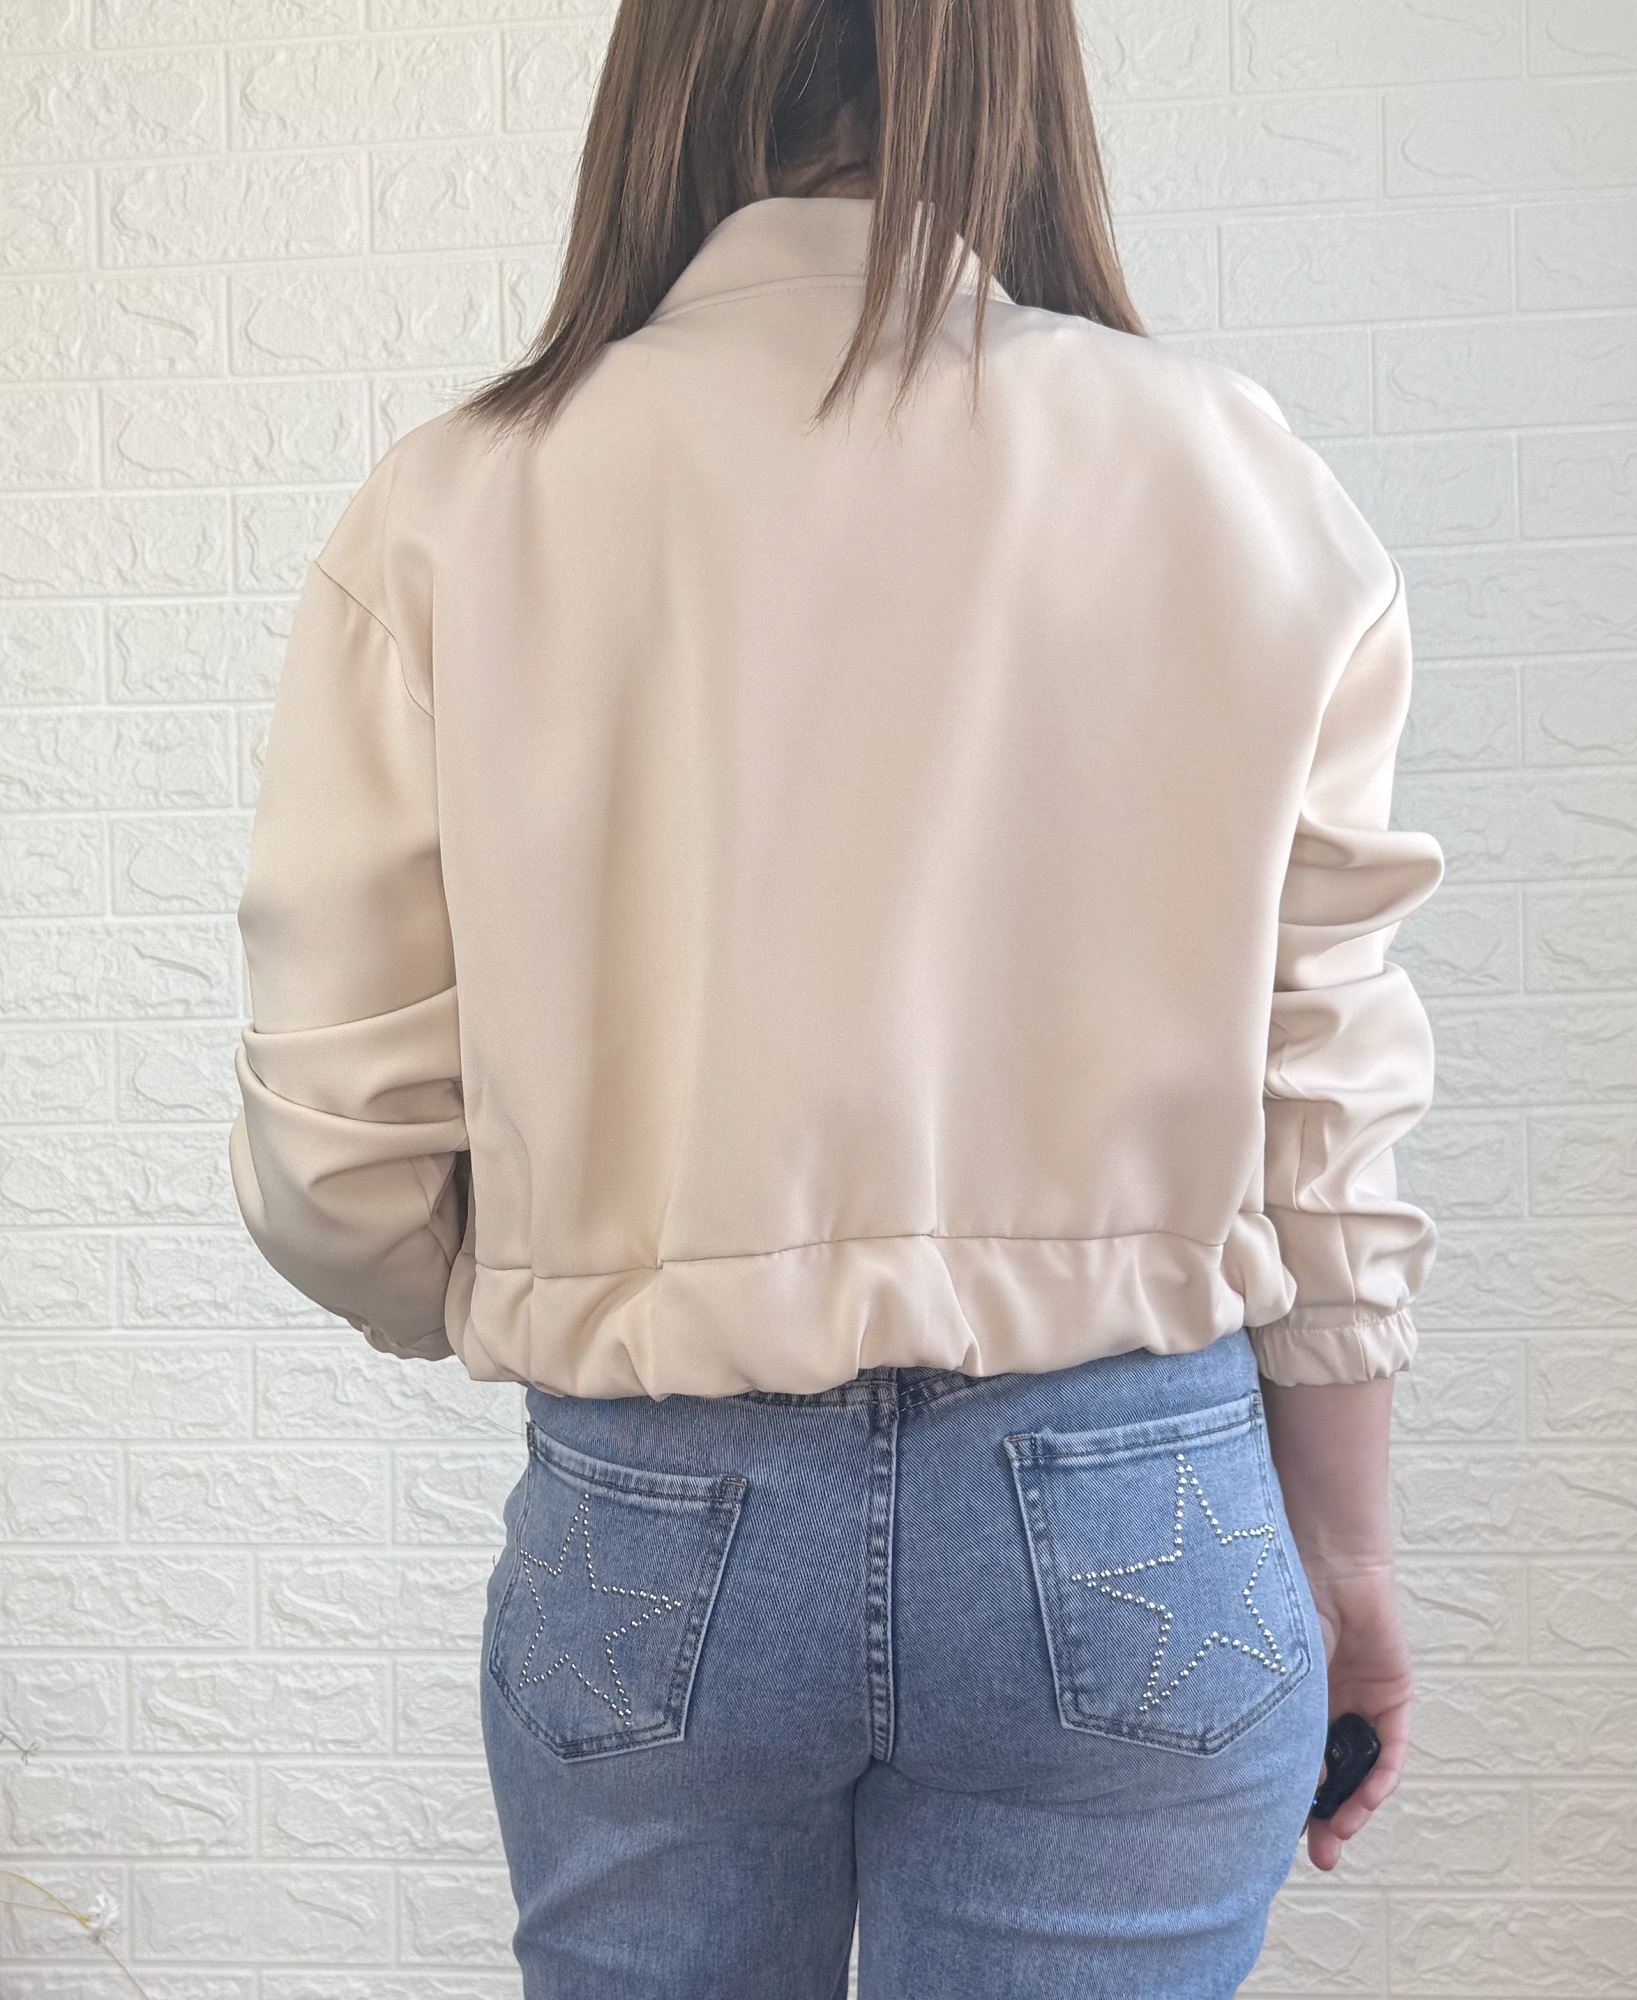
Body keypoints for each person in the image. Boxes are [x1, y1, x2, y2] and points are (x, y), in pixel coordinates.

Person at [228, 1, 1443, 1993]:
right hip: (1132, 1505)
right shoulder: (1233, 473)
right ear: (1022, 80)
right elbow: (1330, 1117)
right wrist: (1353, 1561)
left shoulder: (460, 501)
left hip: (657, 1504)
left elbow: (334, 1163)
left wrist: (564, 1287)